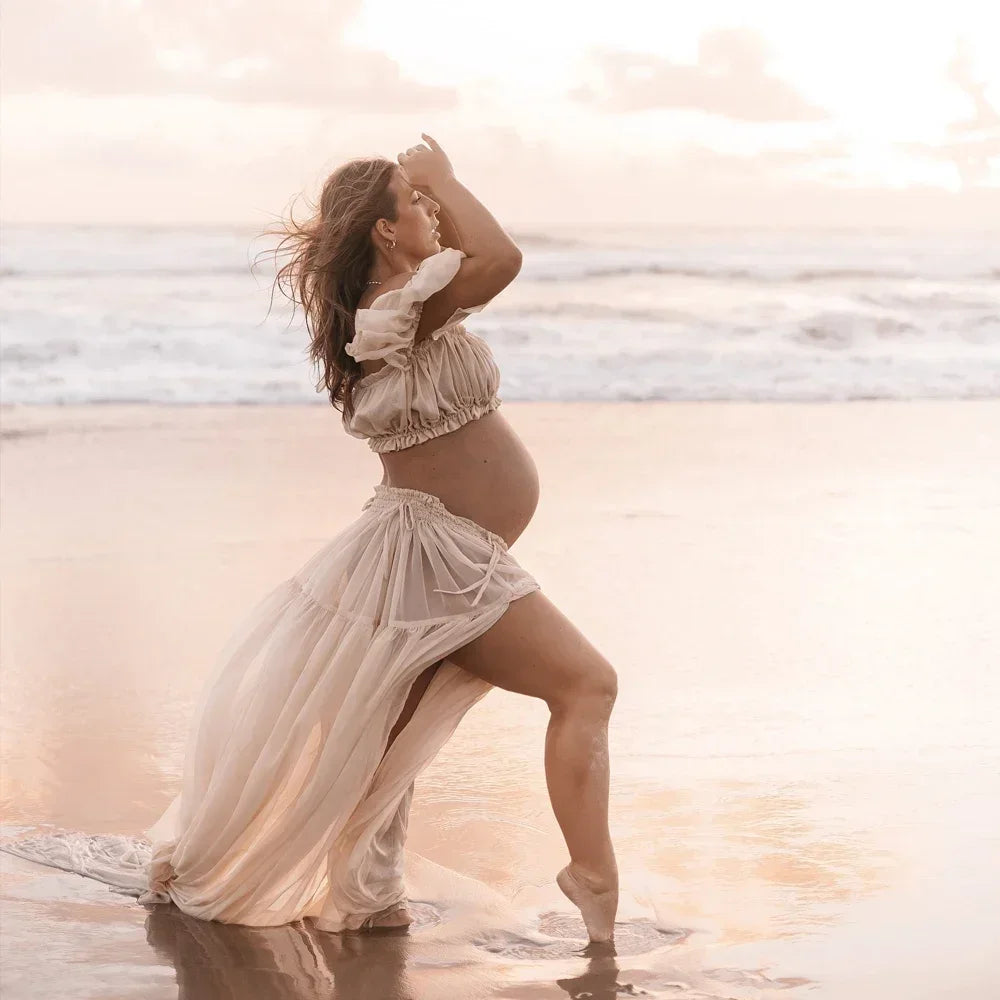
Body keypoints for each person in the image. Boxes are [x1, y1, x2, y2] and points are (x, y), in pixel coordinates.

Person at [1, 134, 621, 944]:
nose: (432, 211)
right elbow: (500, 259)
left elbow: (475, 260)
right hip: (438, 556)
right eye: (415, 202)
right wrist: (449, 177)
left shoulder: (405, 307)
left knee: (383, 744)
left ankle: (369, 898)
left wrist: (428, 193)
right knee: (586, 687)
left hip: (435, 553)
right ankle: (592, 875)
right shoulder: (396, 314)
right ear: (384, 232)